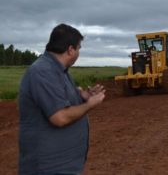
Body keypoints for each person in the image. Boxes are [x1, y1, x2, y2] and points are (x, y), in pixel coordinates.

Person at [18, 23, 106, 175]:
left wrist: (82, 96)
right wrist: (89, 105)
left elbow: (60, 99)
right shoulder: (43, 72)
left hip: (61, 165)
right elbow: (60, 117)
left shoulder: (59, 71)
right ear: (70, 50)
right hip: (48, 167)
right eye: (79, 48)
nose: (79, 52)